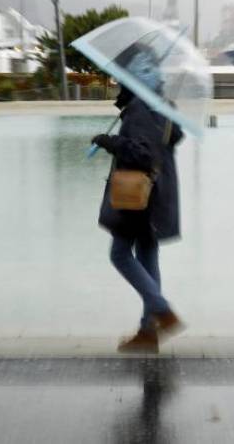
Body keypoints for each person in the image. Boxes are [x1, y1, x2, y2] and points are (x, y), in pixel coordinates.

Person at [92, 80, 185, 354]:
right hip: (159, 192)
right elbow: (167, 141)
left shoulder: (139, 108)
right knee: (147, 254)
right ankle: (148, 332)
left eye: (120, 81)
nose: (116, 85)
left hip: (139, 197)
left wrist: (111, 142)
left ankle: (162, 311)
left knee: (120, 254)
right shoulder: (162, 105)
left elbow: (142, 153)